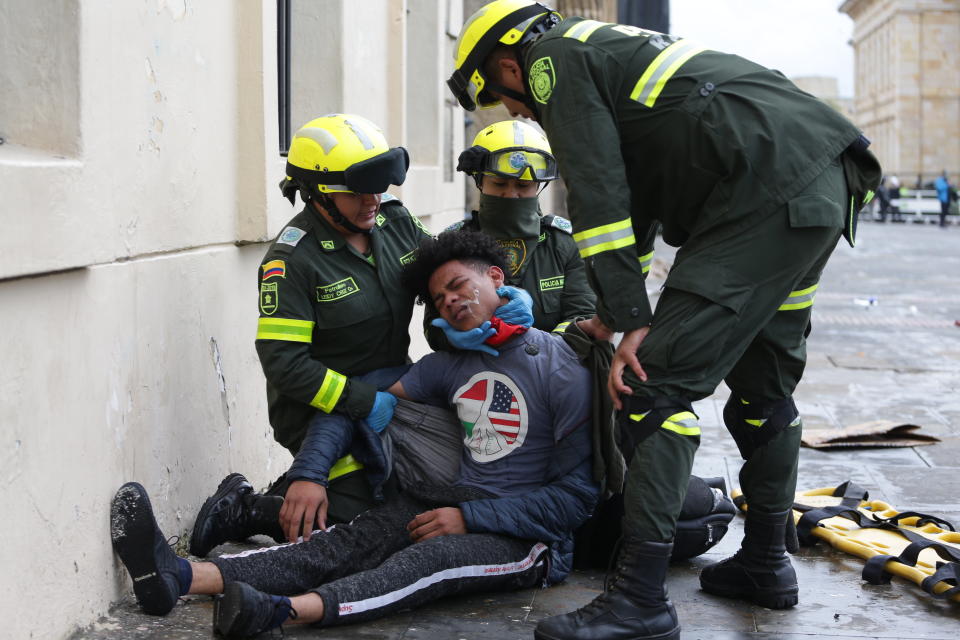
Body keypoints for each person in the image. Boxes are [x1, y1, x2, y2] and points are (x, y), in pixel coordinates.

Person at [446, 3, 882, 639]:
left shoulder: (555, 61)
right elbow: (637, 199)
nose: (520, 114)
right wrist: (611, 312)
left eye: (504, 99)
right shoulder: (608, 53)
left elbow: (596, 195)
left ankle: (640, 600)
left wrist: (631, 322)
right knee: (764, 392)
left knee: (650, 386)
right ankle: (764, 562)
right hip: (814, 183)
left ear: (509, 63)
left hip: (762, 191)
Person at [110, 230, 600, 637]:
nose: (449, 301)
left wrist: (471, 517)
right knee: (347, 543)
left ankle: (282, 611)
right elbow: (353, 397)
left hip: (529, 539)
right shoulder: (447, 366)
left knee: (426, 563)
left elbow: (576, 499)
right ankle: (178, 575)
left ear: (495, 277)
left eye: (456, 285)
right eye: (438, 298)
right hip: (448, 499)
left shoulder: (560, 366)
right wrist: (311, 472)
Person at [189, 114, 534, 558]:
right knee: (364, 523)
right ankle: (245, 510)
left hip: (394, 388)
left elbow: (444, 277)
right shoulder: (291, 263)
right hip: (321, 408)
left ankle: (298, 484)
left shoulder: (394, 223)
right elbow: (284, 363)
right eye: (357, 192)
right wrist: (363, 401)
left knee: (433, 493)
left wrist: (497, 301)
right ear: (317, 193)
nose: (373, 200)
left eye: (379, 187)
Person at [428, 119, 595, 353]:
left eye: (523, 185)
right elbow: (433, 328)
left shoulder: (564, 242)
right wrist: (454, 336)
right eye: (499, 183)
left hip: (550, 376)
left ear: (538, 186)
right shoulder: (453, 244)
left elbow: (584, 315)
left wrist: (541, 348)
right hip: (475, 375)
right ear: (479, 181)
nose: (511, 194)